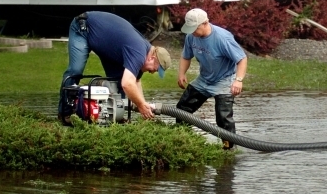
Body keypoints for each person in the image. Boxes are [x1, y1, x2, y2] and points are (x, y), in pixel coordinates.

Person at [58, 11, 172, 123]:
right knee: (75, 70)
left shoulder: (144, 52)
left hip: (104, 41)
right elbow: (128, 83)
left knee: (119, 80)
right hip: (84, 27)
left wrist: (143, 105)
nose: (152, 72)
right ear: (152, 58)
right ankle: (65, 113)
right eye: (155, 69)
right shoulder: (138, 51)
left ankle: (117, 115)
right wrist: (140, 105)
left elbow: (136, 81)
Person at [176, 8, 247, 150]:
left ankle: (229, 149)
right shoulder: (191, 36)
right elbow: (186, 56)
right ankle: (180, 141)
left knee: (223, 118)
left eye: (194, 28)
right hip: (204, 79)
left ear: (205, 23)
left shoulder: (222, 38)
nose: (192, 32)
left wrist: (238, 80)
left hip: (224, 80)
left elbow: (242, 59)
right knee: (182, 109)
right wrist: (181, 73)